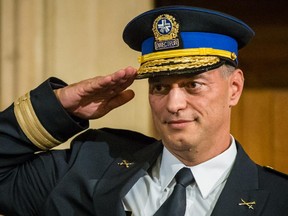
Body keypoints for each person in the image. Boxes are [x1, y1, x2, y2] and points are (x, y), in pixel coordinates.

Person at [0, 5, 287, 216]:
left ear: (234, 88)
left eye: (193, 85)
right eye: (160, 87)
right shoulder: (91, 164)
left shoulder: (279, 200)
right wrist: (58, 107)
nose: (173, 105)